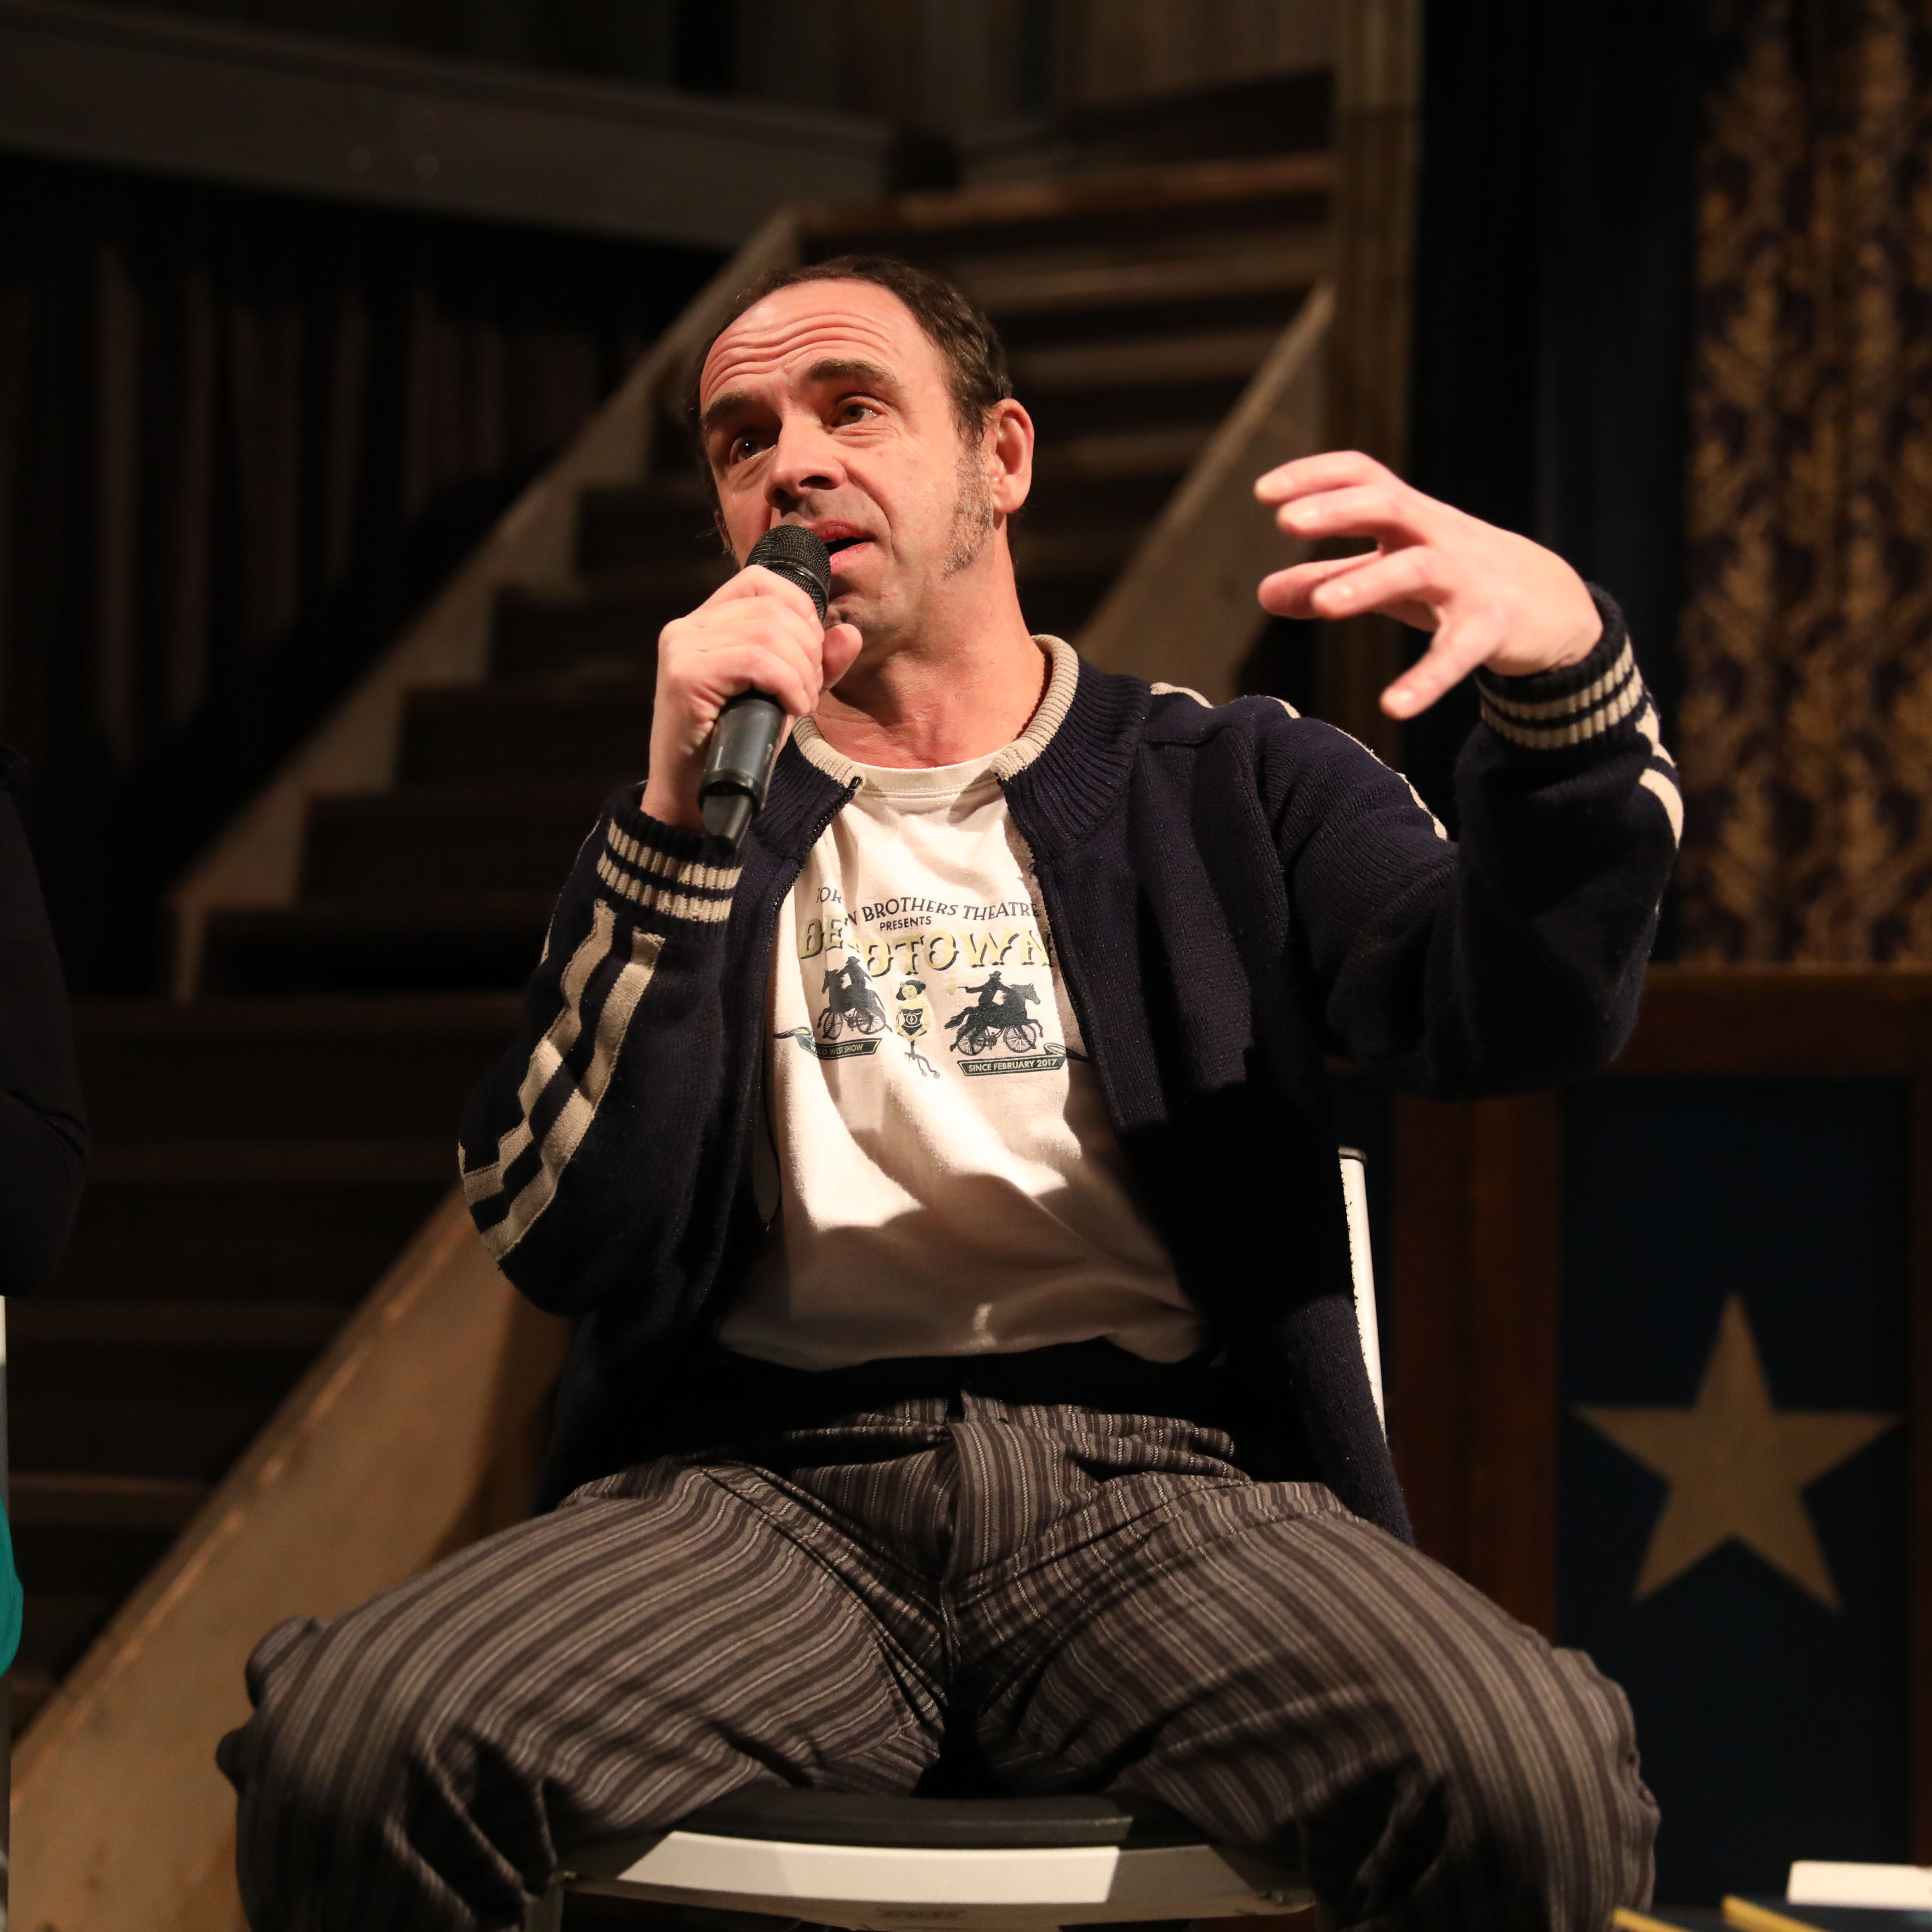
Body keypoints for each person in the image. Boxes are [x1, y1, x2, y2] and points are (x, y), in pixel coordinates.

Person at [221, 256, 1679, 1932]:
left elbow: (1507, 1019)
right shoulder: (685, 825)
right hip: (761, 1499)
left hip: (1164, 1496)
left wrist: (1566, 692)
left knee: (1528, 1774)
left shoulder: (1231, 778)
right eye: (742, 440)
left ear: (1002, 457)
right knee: (353, 1746)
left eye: (853, 408)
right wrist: (675, 835)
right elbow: (562, 1231)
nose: (792, 462)